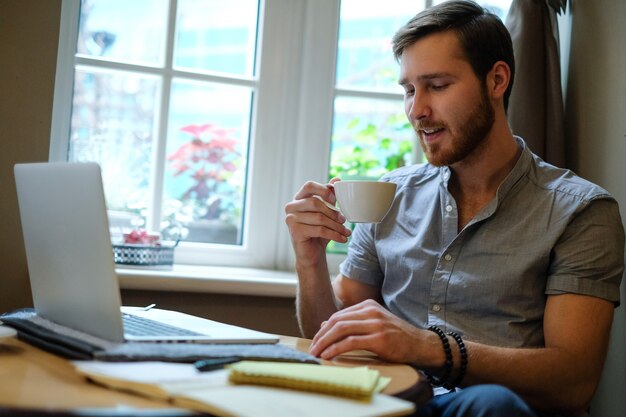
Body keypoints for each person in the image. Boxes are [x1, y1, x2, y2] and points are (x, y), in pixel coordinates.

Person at [284, 1, 625, 416]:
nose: (416, 110)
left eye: (437, 86)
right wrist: (310, 260)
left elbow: (574, 382)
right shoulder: (390, 195)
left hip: (490, 409)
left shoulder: (580, 212)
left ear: (497, 80)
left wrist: (427, 347)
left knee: (492, 405)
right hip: (387, 403)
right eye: (409, 90)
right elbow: (331, 333)